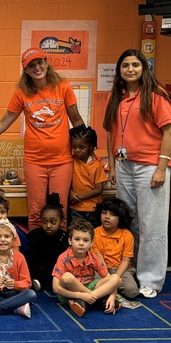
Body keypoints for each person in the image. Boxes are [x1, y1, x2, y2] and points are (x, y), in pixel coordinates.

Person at [0, 47, 86, 231]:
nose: (37, 67)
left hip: (62, 161)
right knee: (36, 211)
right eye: (31, 65)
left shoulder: (63, 87)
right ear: (26, 71)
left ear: (46, 63)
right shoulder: (22, 93)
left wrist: (87, 148)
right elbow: (4, 122)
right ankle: (36, 253)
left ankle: (59, 256)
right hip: (34, 161)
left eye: (40, 63)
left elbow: (76, 119)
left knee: (59, 210)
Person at [102, 49, 171, 298]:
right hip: (124, 165)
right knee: (129, 221)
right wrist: (111, 165)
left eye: (135, 65)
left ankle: (151, 280)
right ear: (119, 71)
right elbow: (110, 131)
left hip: (150, 166)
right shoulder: (116, 97)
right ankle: (130, 271)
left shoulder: (155, 96)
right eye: (125, 66)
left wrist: (162, 167)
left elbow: (168, 132)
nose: (130, 69)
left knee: (152, 225)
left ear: (144, 68)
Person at [52, 219, 121, 317]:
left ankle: (86, 301)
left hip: (89, 285)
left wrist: (112, 296)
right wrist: (82, 295)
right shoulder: (63, 258)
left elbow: (109, 278)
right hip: (70, 292)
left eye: (85, 240)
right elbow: (56, 288)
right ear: (70, 240)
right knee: (67, 277)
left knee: (116, 278)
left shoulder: (93, 257)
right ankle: (94, 299)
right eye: (77, 239)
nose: (81, 243)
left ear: (91, 243)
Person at [91, 197, 139, 299]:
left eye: (112, 214)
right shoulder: (94, 233)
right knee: (92, 285)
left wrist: (115, 278)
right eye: (104, 213)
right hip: (101, 269)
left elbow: (126, 261)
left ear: (120, 218)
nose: (107, 217)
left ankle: (110, 290)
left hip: (121, 270)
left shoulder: (127, 235)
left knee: (131, 292)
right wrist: (108, 277)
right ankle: (108, 291)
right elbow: (99, 260)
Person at [26, 193, 68, 292]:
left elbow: (64, 259)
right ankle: (38, 282)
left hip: (56, 269)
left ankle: (42, 283)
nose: (48, 226)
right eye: (44, 222)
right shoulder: (35, 235)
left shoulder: (64, 237)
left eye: (53, 222)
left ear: (61, 222)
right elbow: (33, 257)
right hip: (40, 268)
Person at [68, 124, 107, 227]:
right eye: (74, 147)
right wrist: (71, 193)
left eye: (81, 147)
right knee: (76, 233)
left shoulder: (96, 166)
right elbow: (66, 182)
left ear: (90, 147)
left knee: (91, 236)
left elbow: (98, 190)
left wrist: (79, 197)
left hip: (93, 209)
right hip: (75, 209)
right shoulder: (71, 162)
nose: (77, 150)